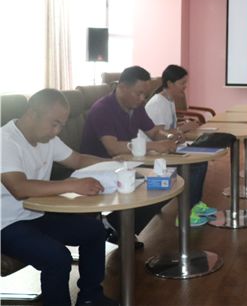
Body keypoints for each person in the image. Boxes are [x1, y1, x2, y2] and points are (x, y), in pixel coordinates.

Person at [1, 89, 118, 306]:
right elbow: (19, 187)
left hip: (36, 216)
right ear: (32, 114)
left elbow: (77, 160)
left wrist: (117, 163)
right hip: (6, 225)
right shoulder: (5, 141)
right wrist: (72, 184)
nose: (56, 131)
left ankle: (90, 297)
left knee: (94, 231)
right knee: (57, 258)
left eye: (61, 126)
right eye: (54, 124)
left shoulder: (47, 138)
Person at [81, 65, 178, 245]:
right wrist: (154, 145)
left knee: (170, 182)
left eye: (145, 95)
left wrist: (169, 137)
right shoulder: (103, 109)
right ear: (122, 87)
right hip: (99, 168)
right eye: (138, 93)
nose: (142, 99)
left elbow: (153, 132)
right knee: (158, 184)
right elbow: (113, 148)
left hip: (125, 165)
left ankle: (119, 226)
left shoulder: (136, 107)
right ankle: (118, 226)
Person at [142, 64, 216, 226]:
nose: (185, 87)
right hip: (153, 152)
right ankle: (185, 213)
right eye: (182, 83)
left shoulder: (168, 100)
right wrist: (183, 129)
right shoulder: (157, 103)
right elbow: (158, 135)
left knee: (201, 160)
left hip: (166, 147)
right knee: (196, 165)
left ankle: (194, 205)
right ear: (169, 83)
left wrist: (180, 133)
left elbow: (169, 131)